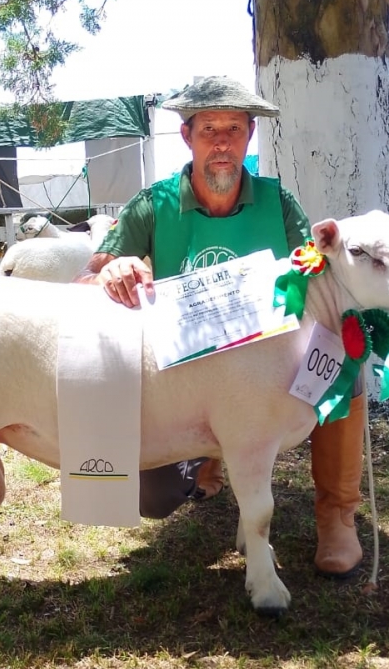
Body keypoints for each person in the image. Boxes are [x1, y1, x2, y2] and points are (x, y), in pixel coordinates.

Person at [78, 78, 364, 578]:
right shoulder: (153, 203)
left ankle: (337, 515)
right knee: (157, 498)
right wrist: (112, 268)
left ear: (250, 135)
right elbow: (94, 268)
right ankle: (209, 462)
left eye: (234, 129)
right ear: (187, 137)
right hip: (186, 381)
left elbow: (320, 273)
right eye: (210, 129)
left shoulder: (278, 202)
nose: (222, 142)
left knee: (346, 366)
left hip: (265, 373)